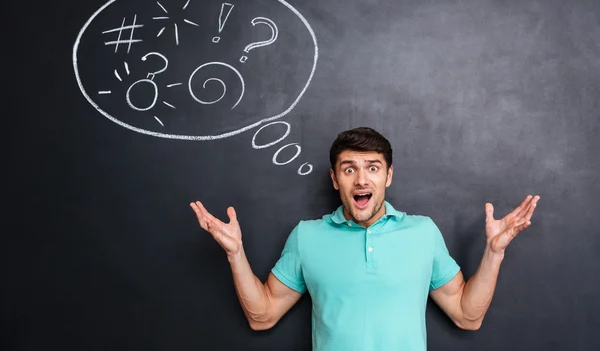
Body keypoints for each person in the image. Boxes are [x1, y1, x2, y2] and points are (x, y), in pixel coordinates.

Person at [190, 127, 540, 351]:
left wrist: (494, 252)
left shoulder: (422, 232)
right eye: (349, 168)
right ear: (334, 179)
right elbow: (262, 316)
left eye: (372, 167)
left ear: (388, 176)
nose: (361, 180)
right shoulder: (307, 236)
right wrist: (235, 255)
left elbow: (467, 316)